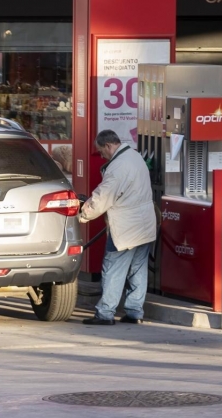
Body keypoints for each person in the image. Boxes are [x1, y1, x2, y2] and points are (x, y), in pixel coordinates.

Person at [79, 129, 156, 325]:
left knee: (113, 268)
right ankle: (134, 311)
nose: (101, 155)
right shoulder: (134, 156)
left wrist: (83, 214)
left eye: (101, 151)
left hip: (125, 226)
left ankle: (105, 313)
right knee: (138, 269)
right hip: (144, 223)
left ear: (108, 145)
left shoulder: (118, 167)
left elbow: (103, 196)